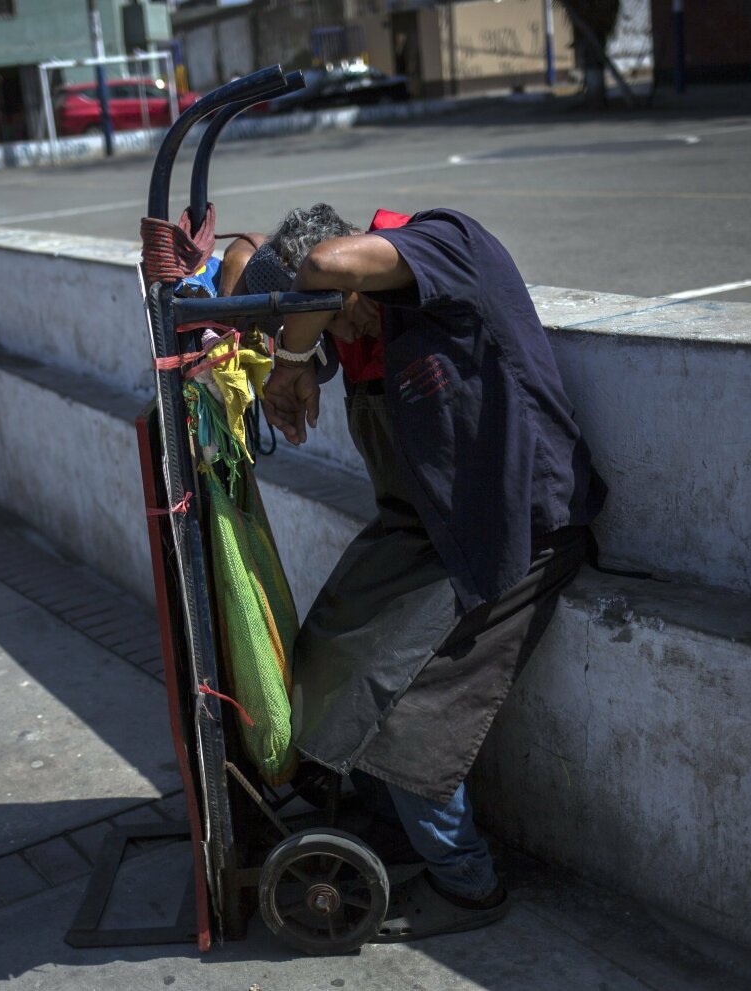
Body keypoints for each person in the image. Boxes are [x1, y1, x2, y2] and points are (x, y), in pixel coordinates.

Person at [254, 204, 606, 940]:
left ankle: (466, 881)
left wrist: (291, 362)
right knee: (326, 647)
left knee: (408, 709)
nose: (337, 342)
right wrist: (295, 340)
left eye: (331, 321)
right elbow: (246, 256)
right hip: (427, 534)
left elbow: (320, 268)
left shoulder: (444, 248)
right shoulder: (352, 325)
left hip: (516, 526)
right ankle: (388, 827)